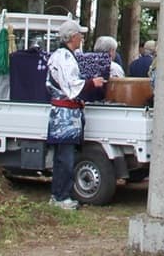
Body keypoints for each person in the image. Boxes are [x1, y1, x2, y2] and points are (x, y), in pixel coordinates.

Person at [45, 20, 104, 209]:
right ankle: (61, 196)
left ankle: (59, 194)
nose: (82, 38)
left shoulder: (66, 55)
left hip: (67, 113)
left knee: (63, 157)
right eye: (80, 34)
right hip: (64, 115)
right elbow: (71, 85)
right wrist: (91, 83)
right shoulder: (63, 57)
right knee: (65, 158)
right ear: (72, 37)